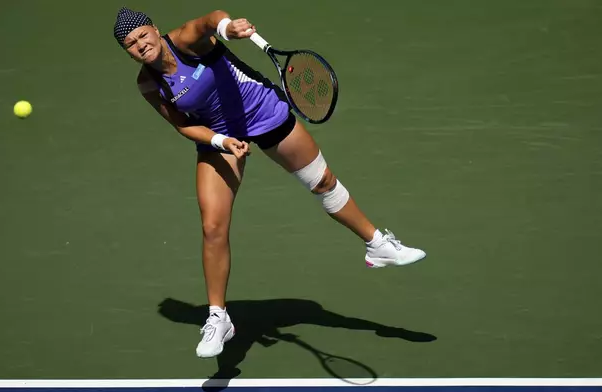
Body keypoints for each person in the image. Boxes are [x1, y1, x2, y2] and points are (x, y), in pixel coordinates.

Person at [113, 7, 427, 359]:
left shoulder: (185, 40)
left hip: (261, 109)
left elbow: (209, 19)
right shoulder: (148, 83)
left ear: (155, 30)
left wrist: (228, 27)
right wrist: (220, 142)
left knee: (322, 181)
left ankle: (377, 245)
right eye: (130, 44)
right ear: (126, 52)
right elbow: (182, 125)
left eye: (143, 35)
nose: (140, 45)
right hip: (220, 135)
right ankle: (219, 318)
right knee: (213, 226)